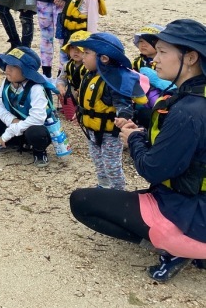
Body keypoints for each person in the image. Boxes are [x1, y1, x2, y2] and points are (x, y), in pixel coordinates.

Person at [70, 20, 206, 282]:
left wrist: (133, 139)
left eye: (164, 52)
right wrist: (142, 119)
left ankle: (179, 248)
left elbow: (152, 168)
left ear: (190, 57)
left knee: (82, 202)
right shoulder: (193, 97)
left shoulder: (190, 111)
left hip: (188, 209)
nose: (155, 59)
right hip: (194, 198)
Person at [74, 33, 147, 190]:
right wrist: (80, 112)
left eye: (87, 53)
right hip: (91, 130)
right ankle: (103, 185)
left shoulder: (113, 80)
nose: (82, 56)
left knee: (111, 164)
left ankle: (118, 191)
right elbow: (86, 101)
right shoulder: (90, 75)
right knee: (98, 161)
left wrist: (123, 117)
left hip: (109, 134)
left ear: (104, 58)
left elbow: (124, 103)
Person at [0, 47, 56, 167]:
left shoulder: (36, 88)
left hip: (33, 128)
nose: (7, 69)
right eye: (7, 64)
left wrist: (10, 130)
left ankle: (39, 151)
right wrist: (12, 120)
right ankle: (13, 143)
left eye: (14, 66)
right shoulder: (8, 82)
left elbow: (37, 119)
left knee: (36, 132)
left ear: (26, 71)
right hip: (16, 123)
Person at [56, 30, 90, 120]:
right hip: (74, 90)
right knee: (63, 91)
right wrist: (60, 86)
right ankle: (70, 108)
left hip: (87, 93)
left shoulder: (90, 66)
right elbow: (61, 79)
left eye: (80, 48)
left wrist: (81, 91)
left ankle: (83, 111)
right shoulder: (67, 65)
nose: (76, 51)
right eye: (72, 47)